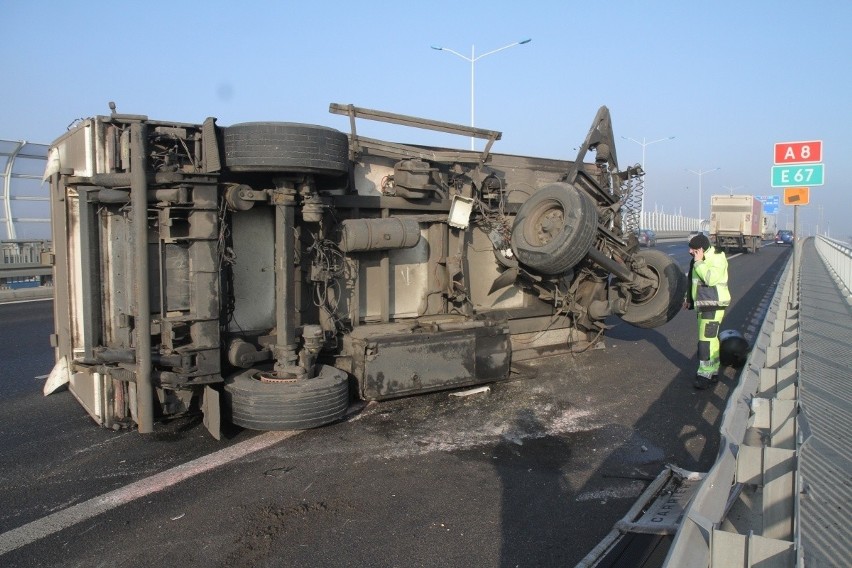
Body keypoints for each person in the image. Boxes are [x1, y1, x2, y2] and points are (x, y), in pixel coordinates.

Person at [683, 233, 730, 389]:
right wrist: (689, 300)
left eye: (693, 249)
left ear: (701, 249)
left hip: (714, 304)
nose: (690, 252)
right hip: (703, 304)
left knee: (706, 342)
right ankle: (714, 371)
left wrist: (698, 263)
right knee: (711, 340)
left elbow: (711, 279)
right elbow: (693, 282)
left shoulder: (717, 257)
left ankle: (705, 374)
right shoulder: (697, 260)